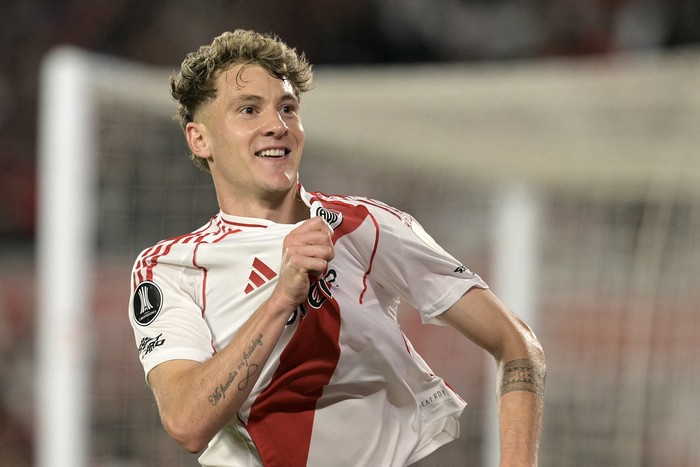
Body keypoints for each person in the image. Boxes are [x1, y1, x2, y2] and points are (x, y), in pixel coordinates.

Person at [128, 29, 545, 467]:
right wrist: (281, 299)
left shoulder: (366, 226)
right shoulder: (170, 268)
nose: (277, 125)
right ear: (200, 139)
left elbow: (517, 344)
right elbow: (186, 423)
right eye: (249, 109)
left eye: (287, 108)